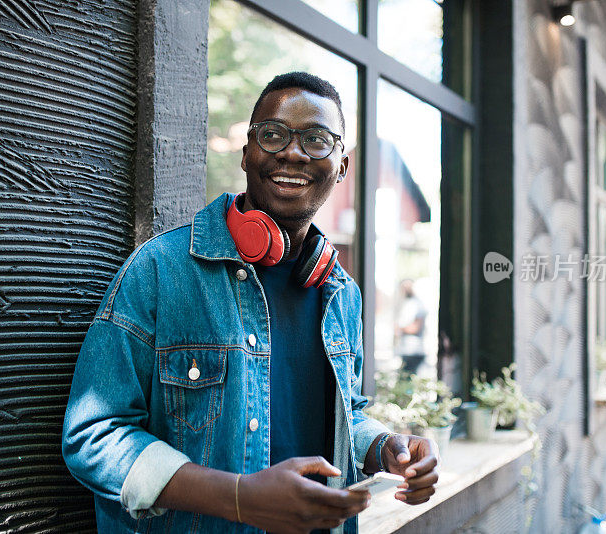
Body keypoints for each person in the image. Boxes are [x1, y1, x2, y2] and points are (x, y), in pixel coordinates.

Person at [62, 72, 440, 533]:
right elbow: (93, 436)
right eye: (274, 134)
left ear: (342, 166)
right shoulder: (161, 270)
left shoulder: (342, 293)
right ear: (247, 153)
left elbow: (347, 413)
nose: (293, 152)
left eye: (318, 140)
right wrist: (239, 499)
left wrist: (386, 448)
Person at [395, 279, 427, 375]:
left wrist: (400, 328)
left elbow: (416, 327)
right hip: (406, 349)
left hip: (414, 349)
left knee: (406, 379)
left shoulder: (417, 304)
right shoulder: (407, 303)